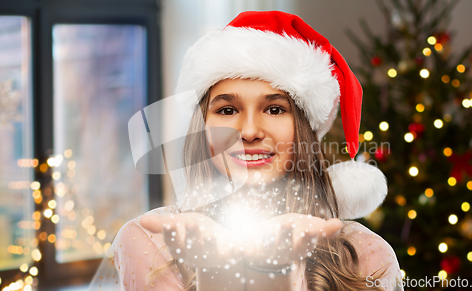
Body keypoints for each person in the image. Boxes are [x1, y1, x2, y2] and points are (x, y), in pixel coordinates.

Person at [88, 11, 403, 291]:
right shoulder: (149, 244)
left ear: (304, 131)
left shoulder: (366, 254)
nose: (249, 131)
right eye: (227, 110)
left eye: (275, 109)